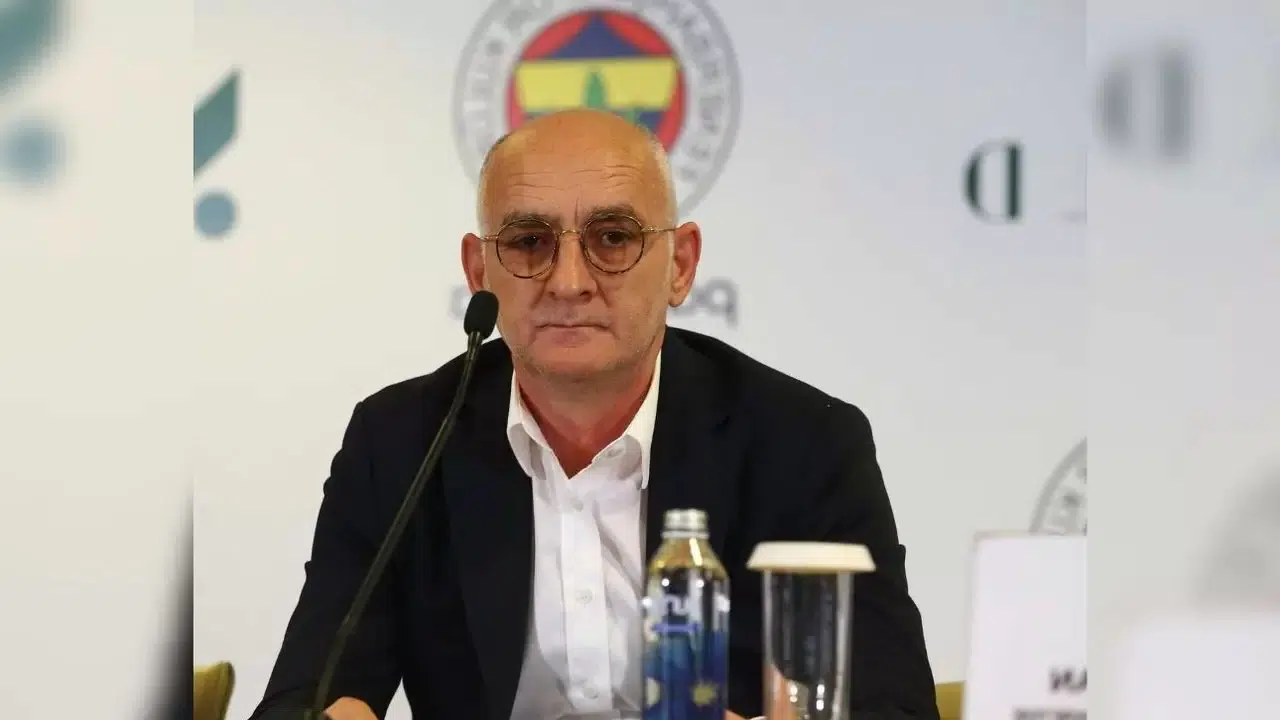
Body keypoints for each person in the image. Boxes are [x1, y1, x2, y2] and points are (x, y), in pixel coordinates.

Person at [251, 109, 937, 719]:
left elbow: (893, 706)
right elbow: (306, 694)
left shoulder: (803, 442)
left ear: (681, 264)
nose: (570, 281)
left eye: (613, 238)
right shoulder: (401, 441)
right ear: (480, 271)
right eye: (529, 242)